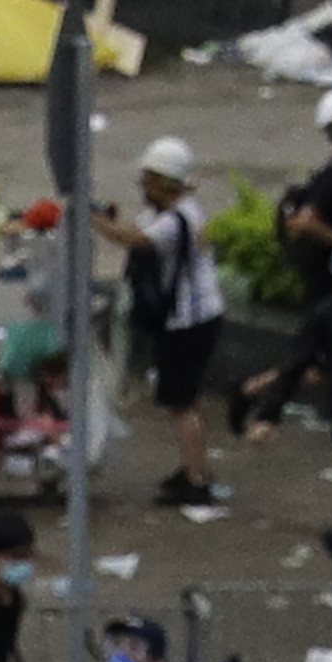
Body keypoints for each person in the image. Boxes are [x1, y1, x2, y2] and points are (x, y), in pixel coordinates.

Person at [102, 134, 229, 507]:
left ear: (161, 181)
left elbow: (136, 239)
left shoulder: (176, 220)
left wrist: (93, 220)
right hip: (198, 316)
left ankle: (196, 480)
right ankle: (194, 467)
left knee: (180, 402)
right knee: (182, 399)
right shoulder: (179, 212)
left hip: (188, 321)